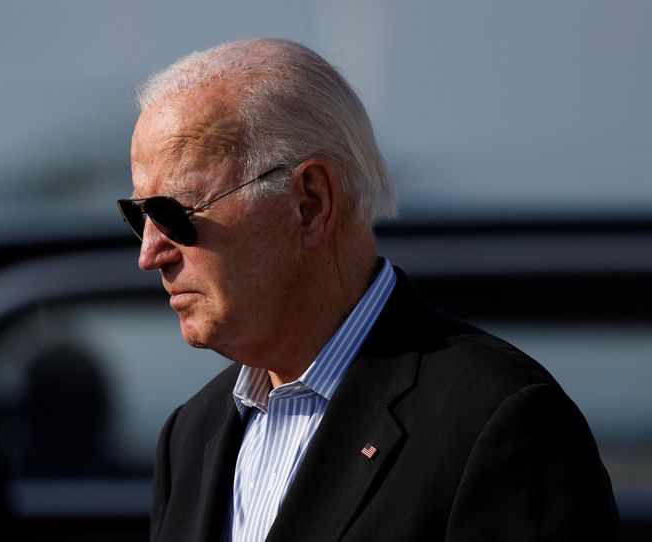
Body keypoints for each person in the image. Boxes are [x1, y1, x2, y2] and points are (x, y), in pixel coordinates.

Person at [118, 38, 620, 542]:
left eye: (172, 213)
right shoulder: (193, 433)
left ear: (309, 203)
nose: (150, 253)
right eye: (138, 217)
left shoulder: (495, 422)